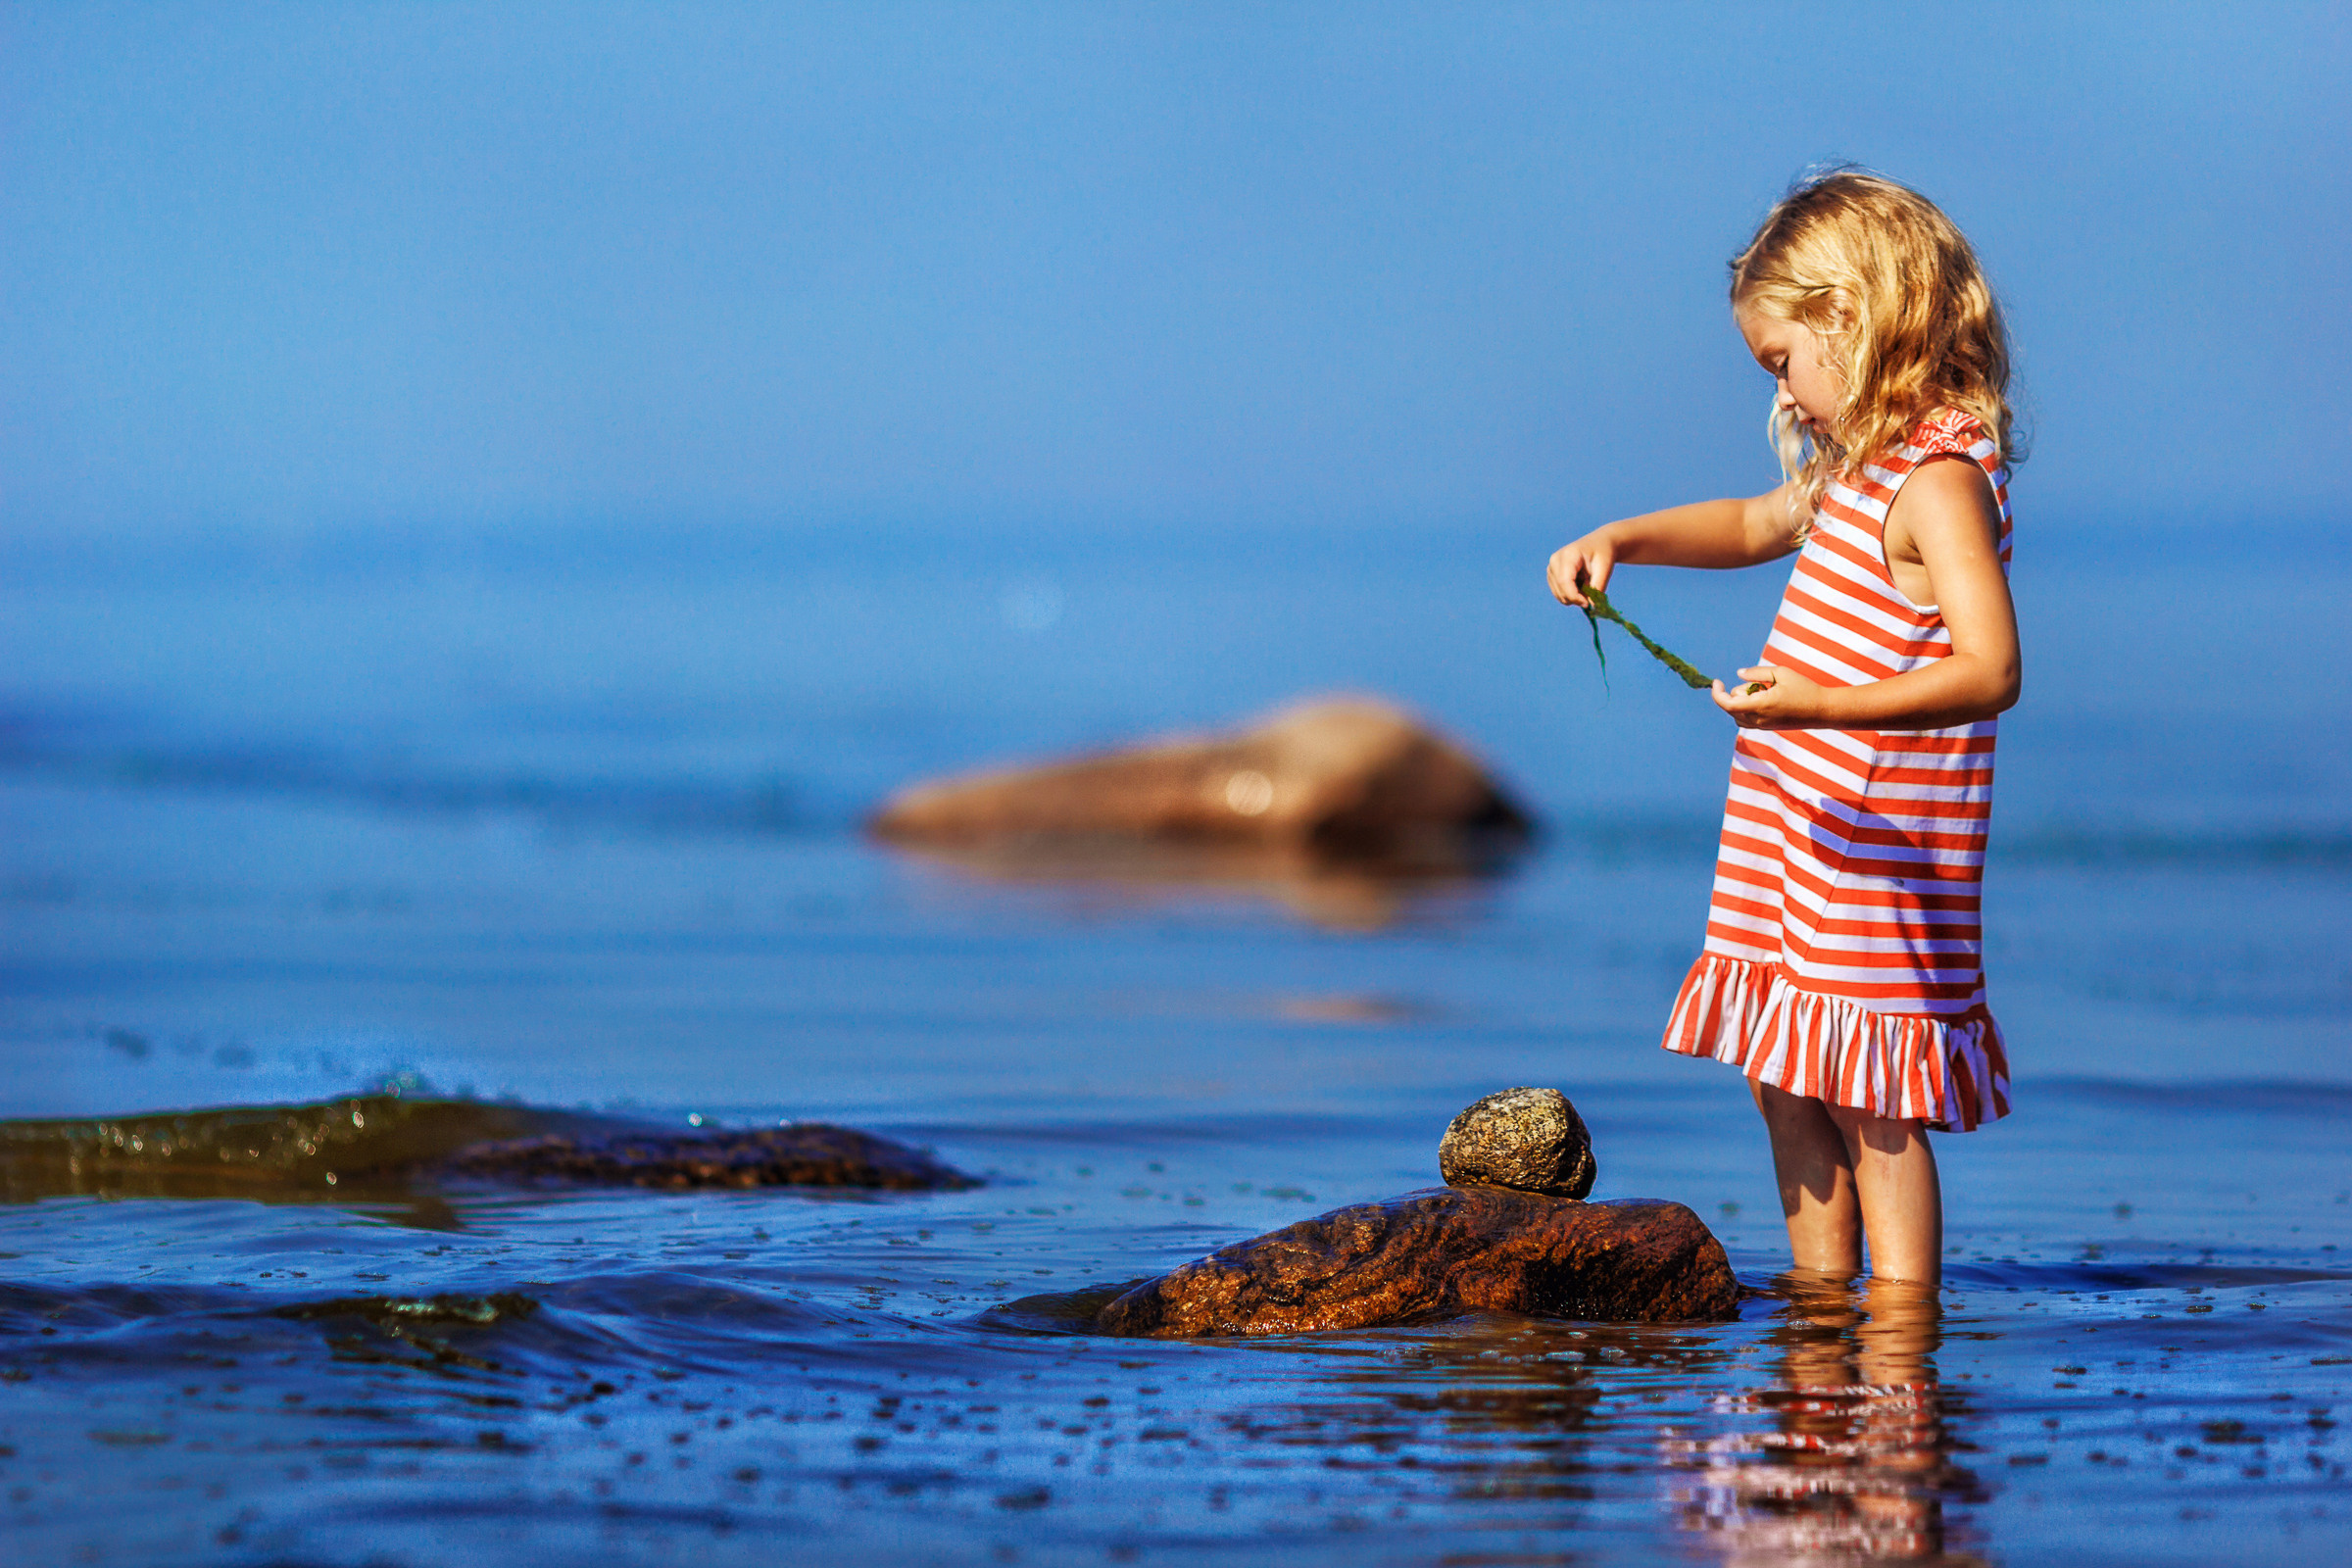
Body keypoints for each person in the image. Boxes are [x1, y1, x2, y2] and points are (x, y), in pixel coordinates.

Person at [1545, 168, 2022, 1286]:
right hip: (1797, 826)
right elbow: (1758, 519)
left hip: (1876, 843)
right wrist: (1624, 536)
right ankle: (1819, 1305)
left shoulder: (1938, 480)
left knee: (1874, 1098)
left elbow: (1992, 666)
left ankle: (1901, 1340)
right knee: (1782, 1066)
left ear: (1853, 316)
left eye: (1782, 362)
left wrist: (1818, 706)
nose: (1787, 392)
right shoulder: (1858, 469)